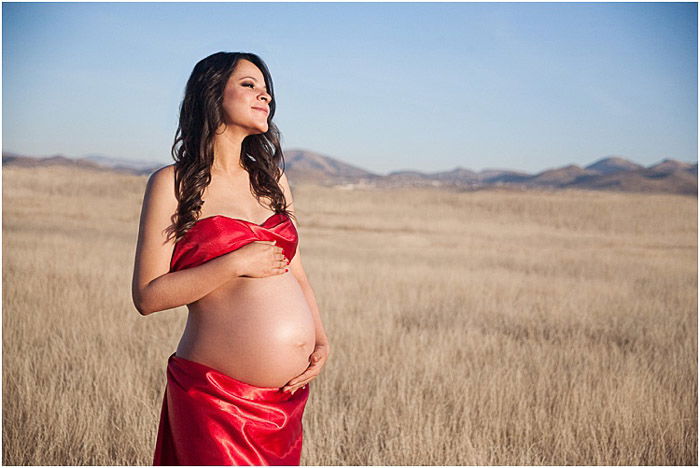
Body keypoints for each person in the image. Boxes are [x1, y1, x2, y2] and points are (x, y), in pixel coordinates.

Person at [131, 51, 330, 466]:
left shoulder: (271, 179)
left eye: (267, 90)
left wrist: (319, 337)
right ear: (212, 93)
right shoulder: (173, 183)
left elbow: (296, 271)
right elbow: (148, 297)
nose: (266, 97)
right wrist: (234, 263)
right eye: (249, 85)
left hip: (283, 404)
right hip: (214, 401)